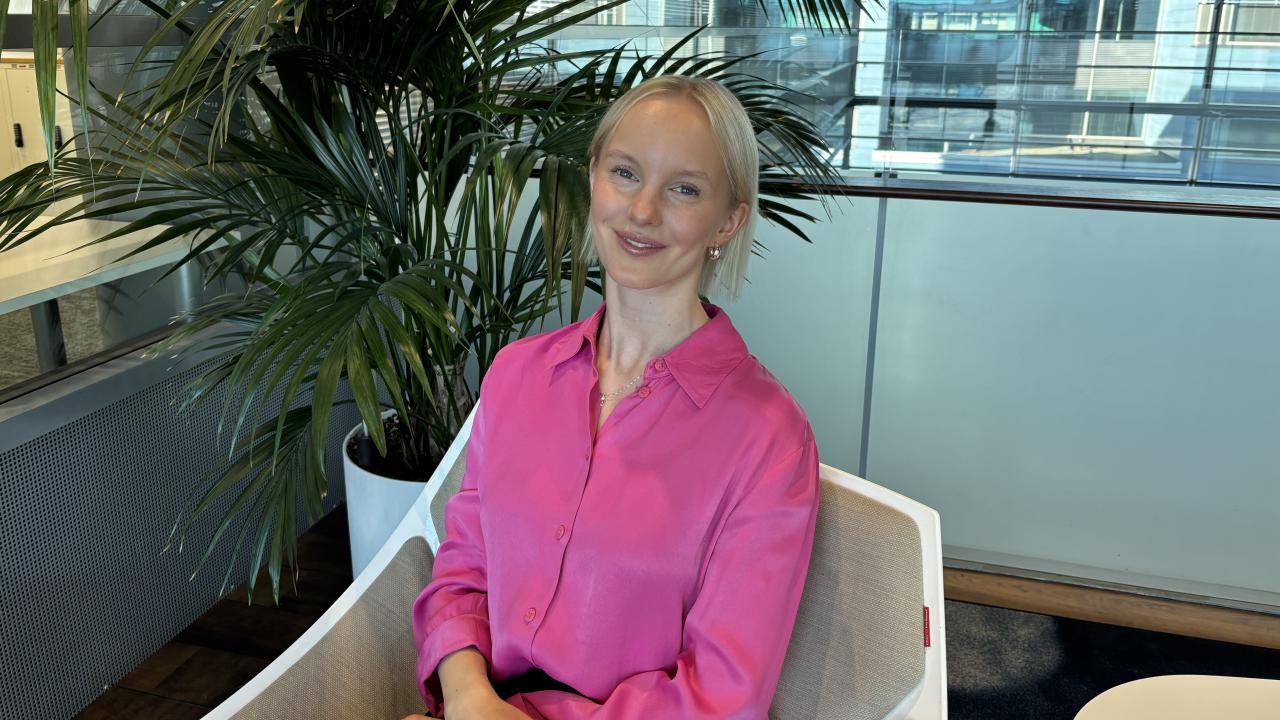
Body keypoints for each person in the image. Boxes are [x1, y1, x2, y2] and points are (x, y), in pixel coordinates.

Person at [403, 75, 820, 720]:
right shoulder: (516, 375)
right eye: (625, 173)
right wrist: (468, 696)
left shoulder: (770, 439)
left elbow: (723, 695)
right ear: (594, 177)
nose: (642, 211)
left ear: (729, 220)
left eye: (684, 189)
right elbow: (465, 570)